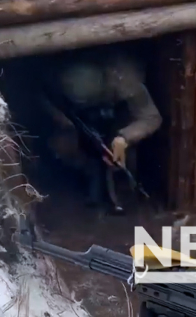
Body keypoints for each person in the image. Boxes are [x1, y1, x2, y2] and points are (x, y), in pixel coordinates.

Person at [39, 49, 162, 214]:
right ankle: (89, 171)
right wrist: (64, 121)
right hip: (75, 118)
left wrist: (124, 138)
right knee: (62, 144)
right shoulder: (56, 77)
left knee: (119, 154)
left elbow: (151, 117)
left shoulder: (125, 79)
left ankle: (123, 194)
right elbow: (41, 97)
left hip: (120, 111)